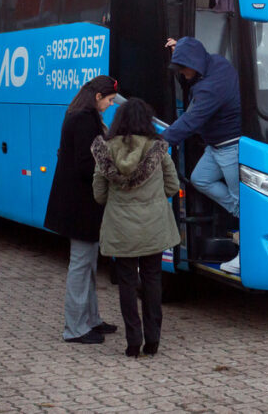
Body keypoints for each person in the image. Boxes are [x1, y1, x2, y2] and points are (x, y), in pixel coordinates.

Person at [91, 97, 181, 358]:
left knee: (127, 282)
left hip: (121, 228)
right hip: (152, 226)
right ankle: (153, 341)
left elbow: (99, 194)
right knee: (152, 279)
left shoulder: (105, 151)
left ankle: (133, 341)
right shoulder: (158, 149)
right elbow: (173, 186)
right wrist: (153, 199)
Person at [43, 75, 119, 345]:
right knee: (81, 264)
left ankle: (90, 319)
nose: (110, 105)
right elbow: (87, 164)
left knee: (87, 263)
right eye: (109, 100)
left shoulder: (79, 115)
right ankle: (75, 327)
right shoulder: (85, 120)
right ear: (98, 97)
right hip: (80, 204)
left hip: (77, 203)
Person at [161, 36, 242, 274]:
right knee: (200, 179)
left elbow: (190, 121)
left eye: (183, 69)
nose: (182, 74)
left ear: (194, 66)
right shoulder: (216, 63)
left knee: (242, 203)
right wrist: (181, 52)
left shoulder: (210, 89)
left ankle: (244, 256)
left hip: (230, 147)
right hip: (215, 147)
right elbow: (192, 64)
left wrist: (160, 140)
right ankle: (240, 210)